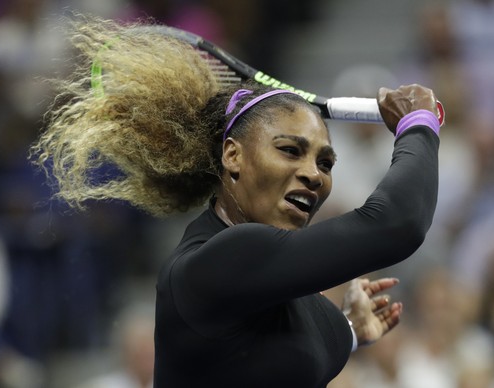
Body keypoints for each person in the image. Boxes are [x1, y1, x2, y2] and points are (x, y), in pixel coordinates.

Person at [31, 17, 440, 388]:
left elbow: (300, 352)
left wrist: (352, 328)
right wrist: (417, 126)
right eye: (290, 150)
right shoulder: (224, 259)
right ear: (233, 155)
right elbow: (396, 224)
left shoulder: (282, 290)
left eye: (325, 161)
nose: (315, 174)